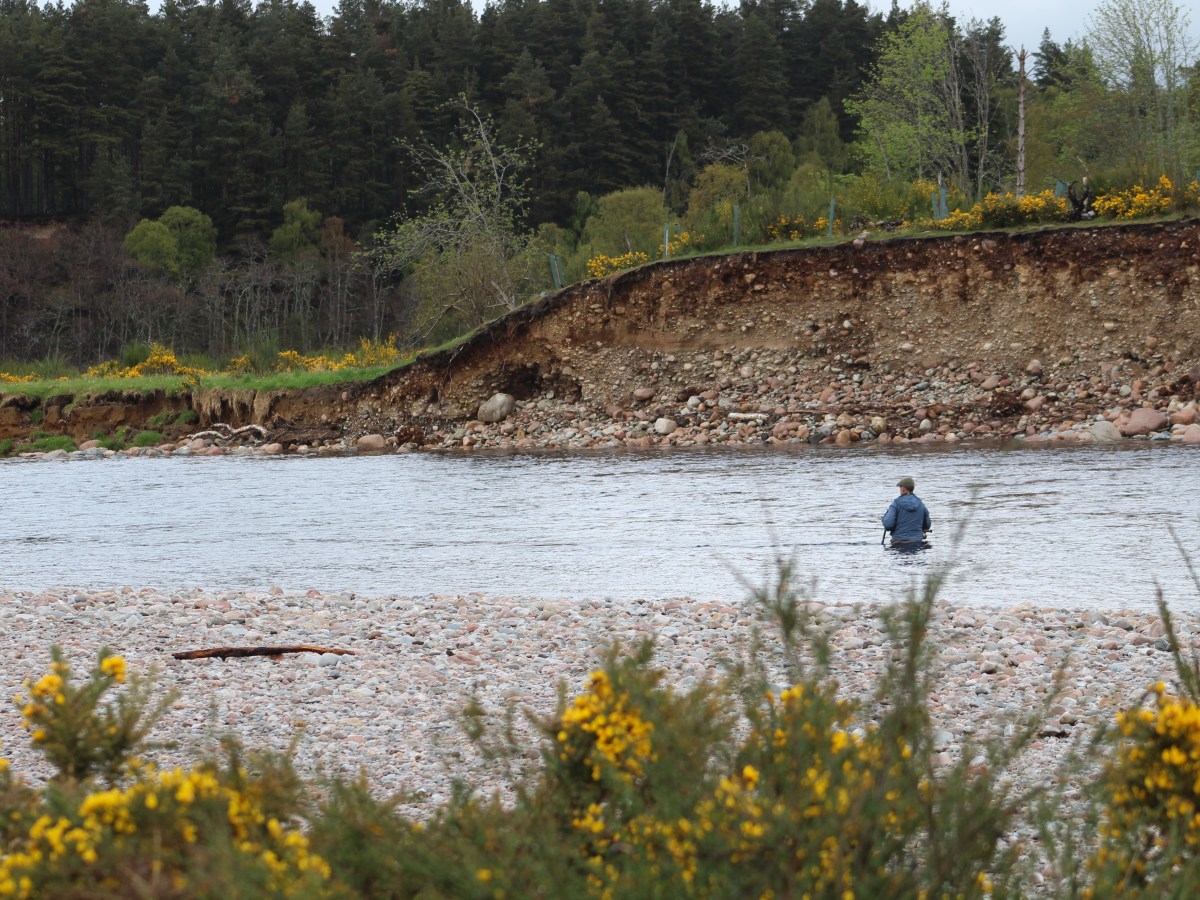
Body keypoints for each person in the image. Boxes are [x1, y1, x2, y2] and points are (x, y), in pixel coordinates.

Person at [882, 476, 931, 548]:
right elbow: (927, 525)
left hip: (898, 544)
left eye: (900, 488)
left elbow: (888, 525)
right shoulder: (921, 504)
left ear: (903, 489)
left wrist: (883, 519)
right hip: (917, 544)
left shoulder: (895, 504)